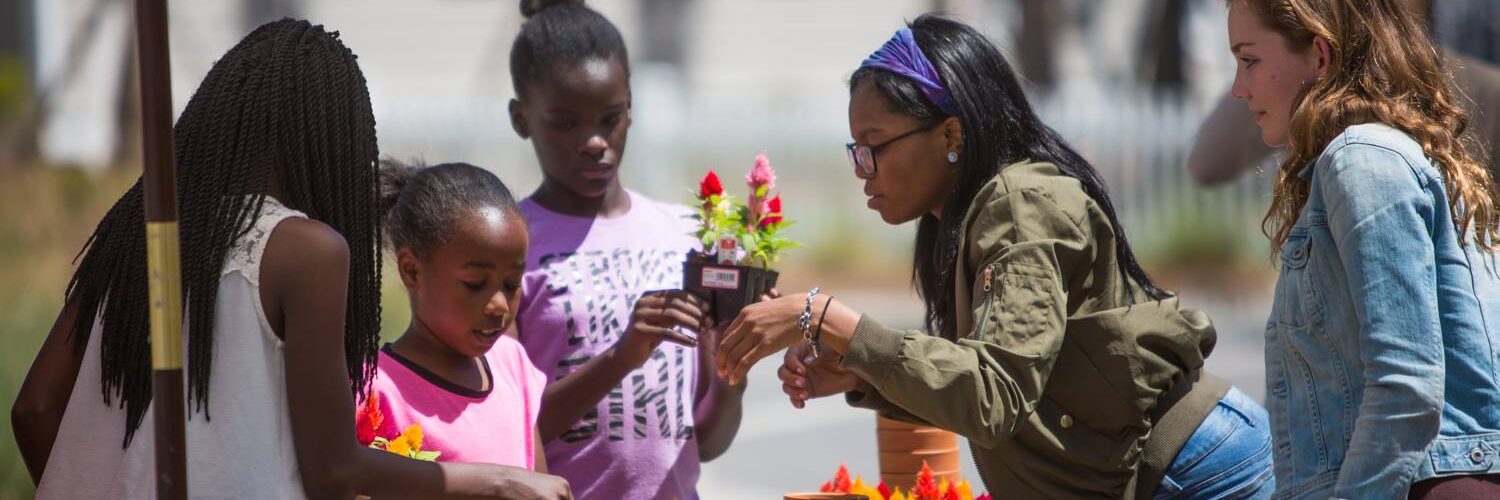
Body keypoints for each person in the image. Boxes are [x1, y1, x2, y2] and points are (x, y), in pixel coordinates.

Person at [717, 15, 1273, 499]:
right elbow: (1011, 388)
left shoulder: (1019, 203)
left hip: (1200, 473)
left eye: (875, 146)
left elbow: (994, 396)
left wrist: (822, 316)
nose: (863, 168)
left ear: (949, 132)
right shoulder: (969, 217)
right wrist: (862, 371)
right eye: (856, 150)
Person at [11, 19, 569, 499]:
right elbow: (333, 471)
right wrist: (501, 481)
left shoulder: (139, 234)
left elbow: (34, 410)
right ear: (330, 137)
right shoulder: (307, 250)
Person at [1226, 0, 1500, 497]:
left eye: (1249, 60)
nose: (1237, 88)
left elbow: (1408, 388)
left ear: (1320, 56)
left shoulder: (1363, 161)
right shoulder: (1367, 159)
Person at [507, 1, 743, 498]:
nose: (594, 142)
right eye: (565, 123)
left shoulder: (684, 234)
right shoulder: (510, 244)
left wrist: (733, 369)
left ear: (631, 109)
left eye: (609, 118)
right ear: (521, 118)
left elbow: (707, 441)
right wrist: (620, 357)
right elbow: (508, 431)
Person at [362, 160, 550, 473]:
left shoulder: (510, 363)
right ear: (412, 271)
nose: (499, 305)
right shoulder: (377, 391)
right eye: (475, 284)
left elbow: (542, 487)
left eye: (512, 284)